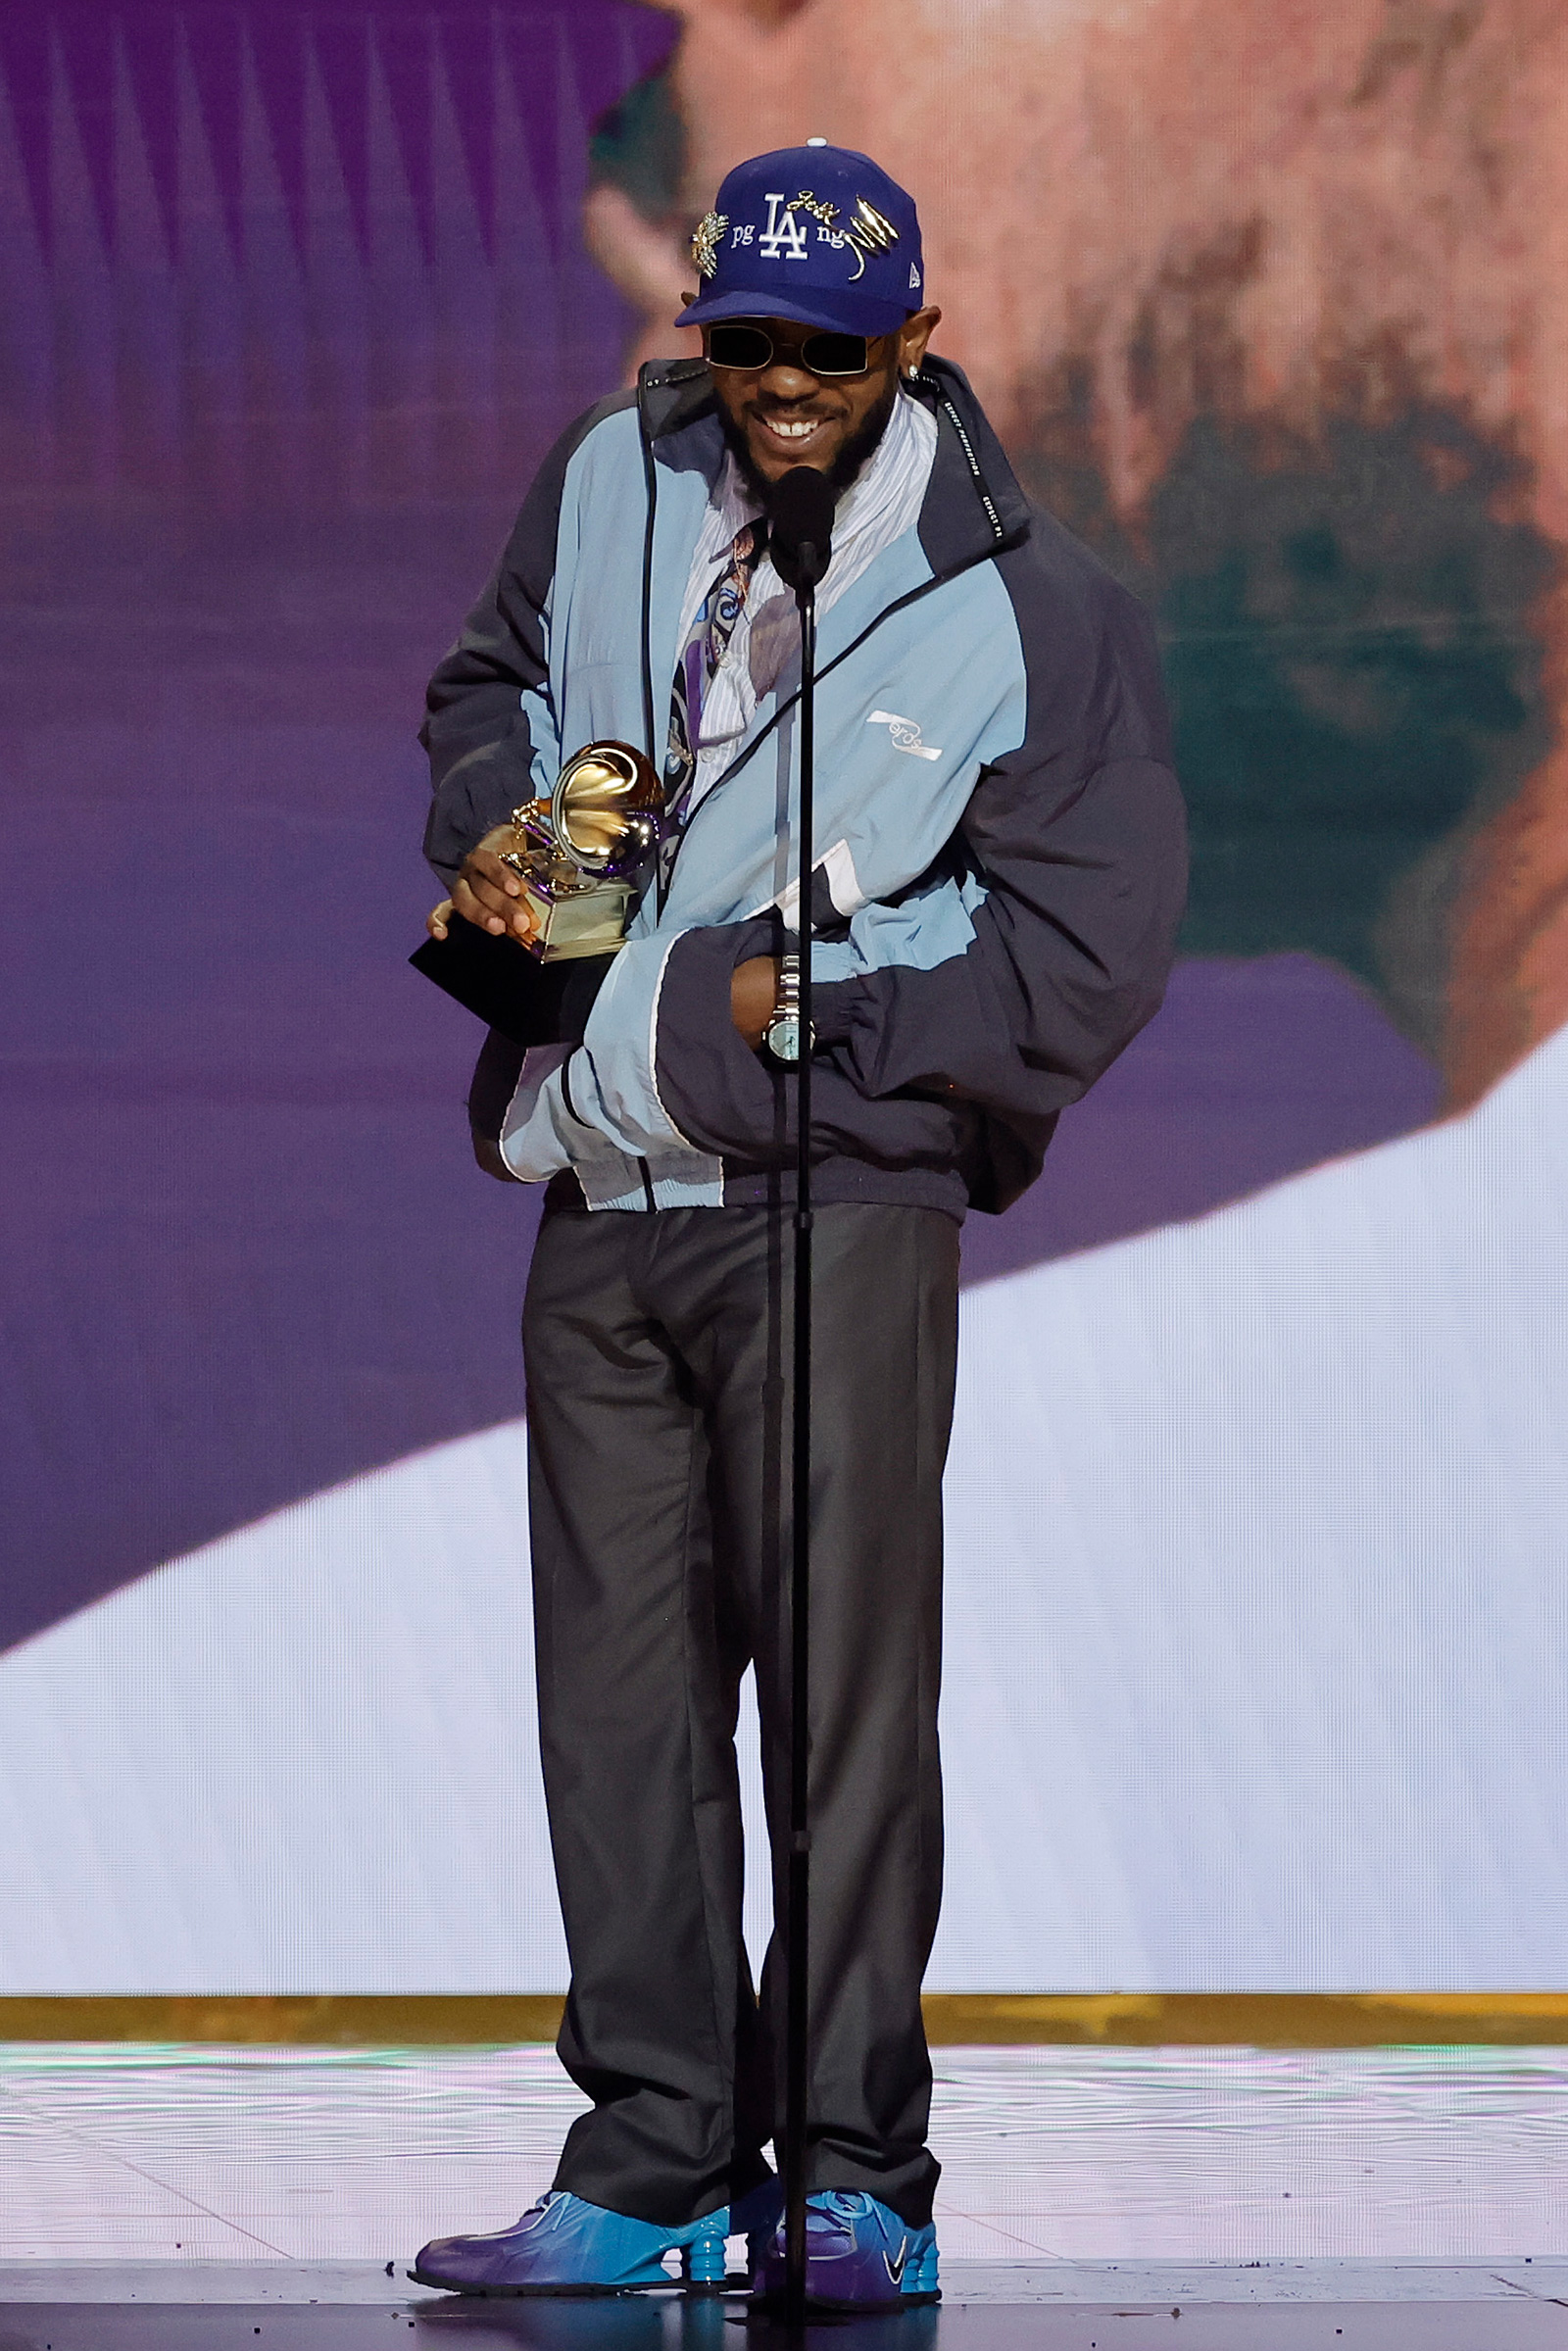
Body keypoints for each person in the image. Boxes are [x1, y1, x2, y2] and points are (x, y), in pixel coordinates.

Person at [411, 143, 1187, 2311]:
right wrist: (505, 833)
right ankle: (653, 2156)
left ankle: (850, 2175)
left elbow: (1084, 942)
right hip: (595, 1178)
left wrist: (800, 1023)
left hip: (830, 1206)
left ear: (907, 342)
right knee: (620, 1714)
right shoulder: (601, 483)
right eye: (743, 338)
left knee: (838, 1707)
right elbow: (485, 689)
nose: (778, 381)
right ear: (702, 327)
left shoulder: (1022, 602)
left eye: (825, 350)